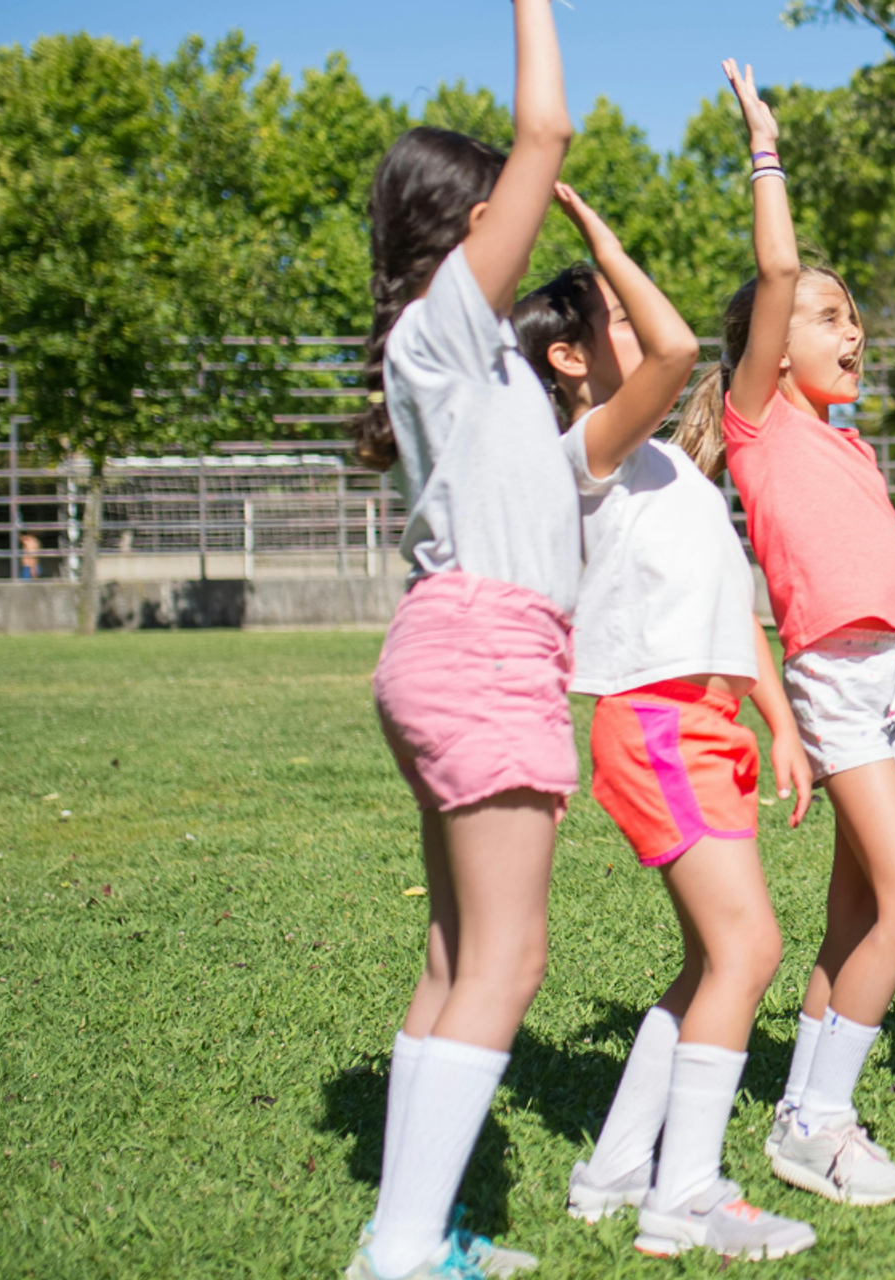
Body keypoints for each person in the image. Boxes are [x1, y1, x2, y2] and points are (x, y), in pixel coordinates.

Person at [510, 182, 817, 1263]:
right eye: (618, 320)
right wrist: (597, 236)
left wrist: (777, 719)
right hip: (653, 724)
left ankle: (613, 1169)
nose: (645, 329)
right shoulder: (586, 453)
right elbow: (680, 348)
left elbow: (729, 602)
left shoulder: (669, 473)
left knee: (707, 966)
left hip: (706, 719)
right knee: (749, 947)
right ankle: (684, 1195)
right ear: (571, 358)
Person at [672, 59, 895, 1209]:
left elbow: (883, 597)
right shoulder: (759, 422)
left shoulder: (850, 446)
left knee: (849, 919)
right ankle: (813, 1118)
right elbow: (776, 265)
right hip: (830, 676)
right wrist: (764, 147)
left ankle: (804, 1099)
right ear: (772, 345)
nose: (853, 332)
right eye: (830, 317)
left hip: (884, 677)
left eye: (853, 318)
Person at [347, 3, 573, 1276]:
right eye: (508, 202)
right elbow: (545, 119)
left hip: (471, 641)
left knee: (454, 954)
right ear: (466, 219)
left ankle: (414, 1231)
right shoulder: (444, 321)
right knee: (510, 953)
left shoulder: (469, 351)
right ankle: (398, 1249)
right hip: (484, 645)